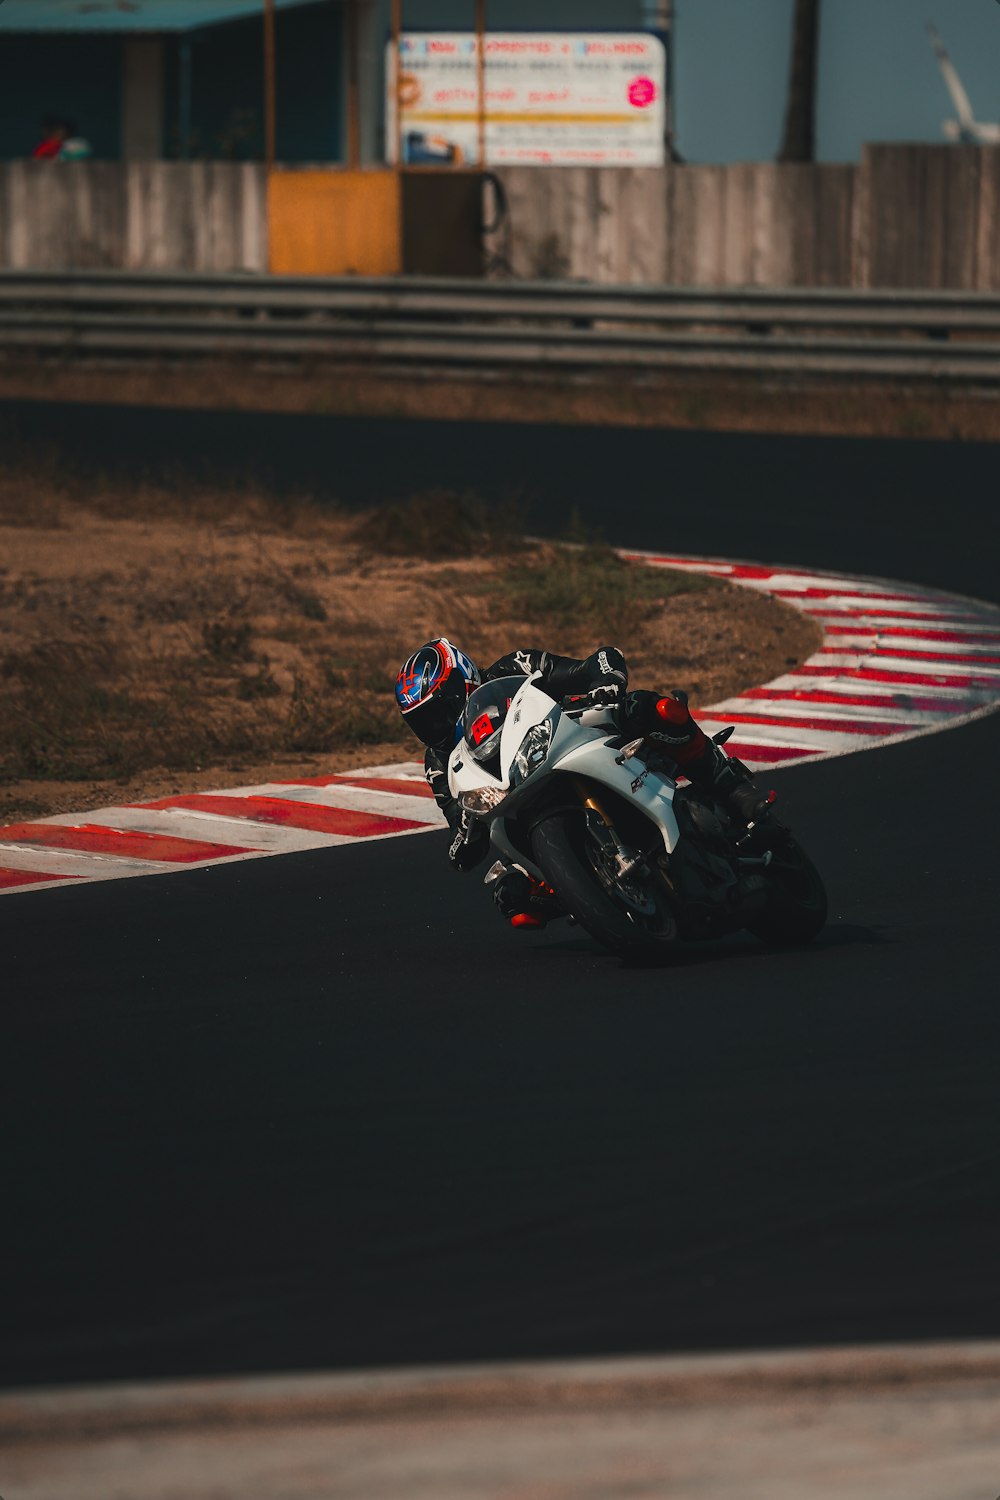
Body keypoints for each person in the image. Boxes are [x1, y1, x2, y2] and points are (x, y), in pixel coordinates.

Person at [395, 638, 776, 929]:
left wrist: (605, 682)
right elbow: (458, 846)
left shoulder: (512, 668)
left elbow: (593, 664)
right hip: (518, 799)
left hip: (566, 738)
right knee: (512, 897)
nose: (435, 726)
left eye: (439, 709)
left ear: (463, 679)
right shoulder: (439, 762)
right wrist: (465, 826)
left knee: (653, 709)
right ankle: (581, 889)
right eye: (422, 721)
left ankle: (733, 787)